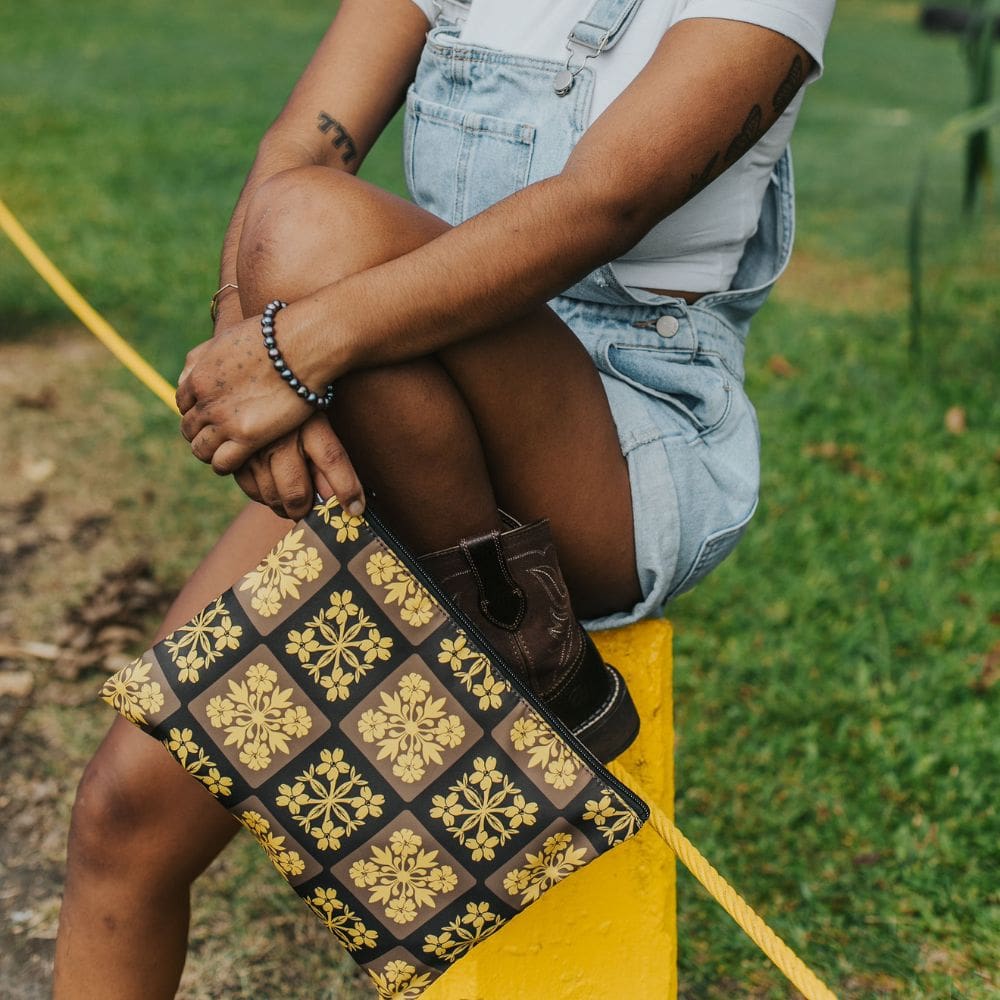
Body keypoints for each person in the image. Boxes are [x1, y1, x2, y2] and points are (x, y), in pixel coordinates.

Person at [53, 0, 835, 995]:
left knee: (310, 226)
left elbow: (605, 200)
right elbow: (302, 143)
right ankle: (489, 639)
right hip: (391, 391)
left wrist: (291, 349)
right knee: (124, 813)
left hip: (618, 431)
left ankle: (527, 654)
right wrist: (248, 350)